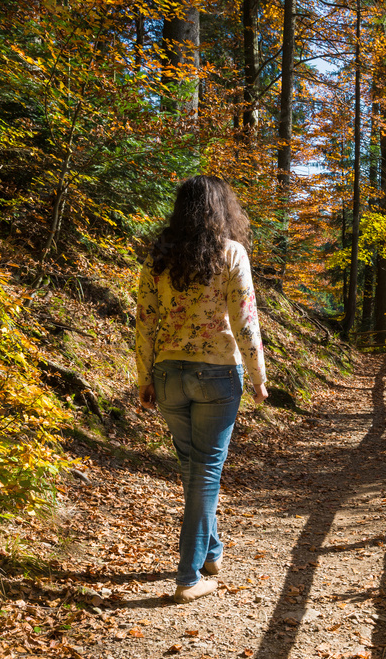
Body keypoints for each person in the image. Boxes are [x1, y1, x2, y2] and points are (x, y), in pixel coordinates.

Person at [135, 175, 268, 604]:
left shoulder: (159, 257)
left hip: (169, 375)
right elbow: (245, 319)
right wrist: (259, 375)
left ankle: (211, 553)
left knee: (195, 468)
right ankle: (189, 576)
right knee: (206, 470)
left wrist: (143, 377)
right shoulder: (231, 253)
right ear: (221, 210)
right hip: (216, 375)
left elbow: (144, 320)